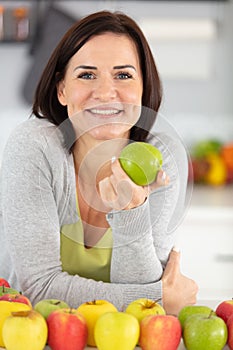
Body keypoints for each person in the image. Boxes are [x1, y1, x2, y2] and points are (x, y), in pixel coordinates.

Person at [0, 10, 198, 315]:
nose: (106, 92)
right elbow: (37, 290)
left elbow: (142, 316)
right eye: (87, 75)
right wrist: (160, 298)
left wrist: (131, 210)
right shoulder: (34, 147)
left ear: (144, 89)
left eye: (123, 75)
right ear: (62, 90)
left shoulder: (163, 160)